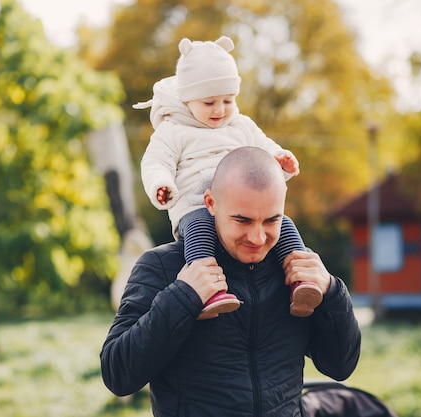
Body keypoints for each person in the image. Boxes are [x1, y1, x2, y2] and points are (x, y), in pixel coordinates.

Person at [100, 146, 362, 417]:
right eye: (242, 220)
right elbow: (117, 375)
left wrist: (332, 292)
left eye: (272, 220)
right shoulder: (162, 267)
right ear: (211, 203)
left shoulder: (299, 273)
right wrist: (182, 298)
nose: (258, 237)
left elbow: (340, 367)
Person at [134, 36, 322, 319]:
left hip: (242, 205)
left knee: (283, 225)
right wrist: (162, 184)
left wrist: (279, 158)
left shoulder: (241, 124)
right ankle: (209, 291)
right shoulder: (173, 130)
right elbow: (155, 161)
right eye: (209, 102)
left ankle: (301, 282)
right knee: (200, 230)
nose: (220, 110)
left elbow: (264, 147)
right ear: (187, 99)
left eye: (228, 100)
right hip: (194, 206)